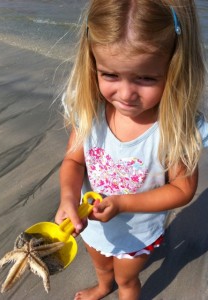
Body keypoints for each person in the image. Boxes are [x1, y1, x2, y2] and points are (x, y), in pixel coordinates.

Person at [55, 0, 208, 299]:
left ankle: (121, 289)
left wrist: (123, 204)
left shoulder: (173, 126)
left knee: (127, 279)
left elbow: (183, 189)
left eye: (146, 78)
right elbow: (73, 160)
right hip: (91, 224)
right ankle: (102, 286)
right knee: (101, 265)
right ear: (92, 63)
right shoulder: (90, 111)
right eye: (110, 75)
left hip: (138, 233)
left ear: (175, 69)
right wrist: (68, 197)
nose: (125, 94)